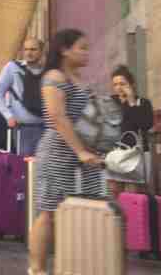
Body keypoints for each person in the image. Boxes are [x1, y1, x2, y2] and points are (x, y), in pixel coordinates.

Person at [28, 29, 106, 275]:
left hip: (82, 153)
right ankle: (37, 270)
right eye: (81, 47)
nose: (87, 52)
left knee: (81, 209)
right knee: (48, 212)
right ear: (64, 49)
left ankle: (74, 266)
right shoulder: (54, 75)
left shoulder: (80, 80)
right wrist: (80, 151)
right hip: (58, 152)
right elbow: (57, 116)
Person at [0, 38, 46, 157]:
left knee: (45, 168)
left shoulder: (48, 71)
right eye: (25, 49)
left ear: (42, 51)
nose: (28, 53)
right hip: (24, 128)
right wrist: (8, 116)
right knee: (26, 167)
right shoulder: (12, 68)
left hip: (47, 127)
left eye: (33, 49)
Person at [111, 65, 154, 146]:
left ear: (132, 85)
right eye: (115, 85)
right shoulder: (110, 102)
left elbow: (145, 125)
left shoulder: (143, 103)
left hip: (135, 152)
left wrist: (131, 101)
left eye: (122, 84)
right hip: (114, 153)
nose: (118, 87)